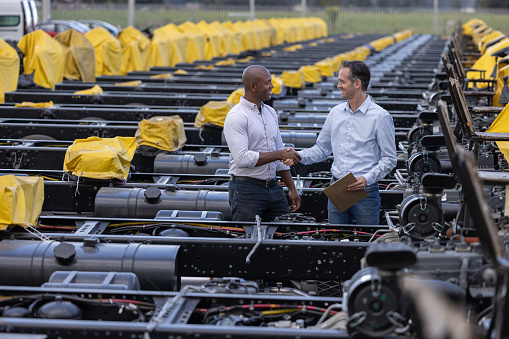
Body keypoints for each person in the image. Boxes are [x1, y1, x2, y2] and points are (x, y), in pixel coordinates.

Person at [288, 60, 397, 225]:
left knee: (365, 240)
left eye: (342, 81)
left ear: (357, 83)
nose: (338, 85)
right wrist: (299, 156)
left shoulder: (380, 116)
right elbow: (322, 149)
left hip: (365, 191)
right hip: (337, 187)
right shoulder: (335, 113)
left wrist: (366, 179)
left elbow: (389, 159)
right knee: (336, 239)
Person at [223, 65, 301, 222]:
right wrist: (280, 154)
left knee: (284, 231)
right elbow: (242, 158)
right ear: (253, 86)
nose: (272, 86)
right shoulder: (237, 116)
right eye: (267, 82)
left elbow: (279, 152)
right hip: (246, 191)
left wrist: (292, 189)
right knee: (248, 239)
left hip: (273, 187)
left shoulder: (270, 113)